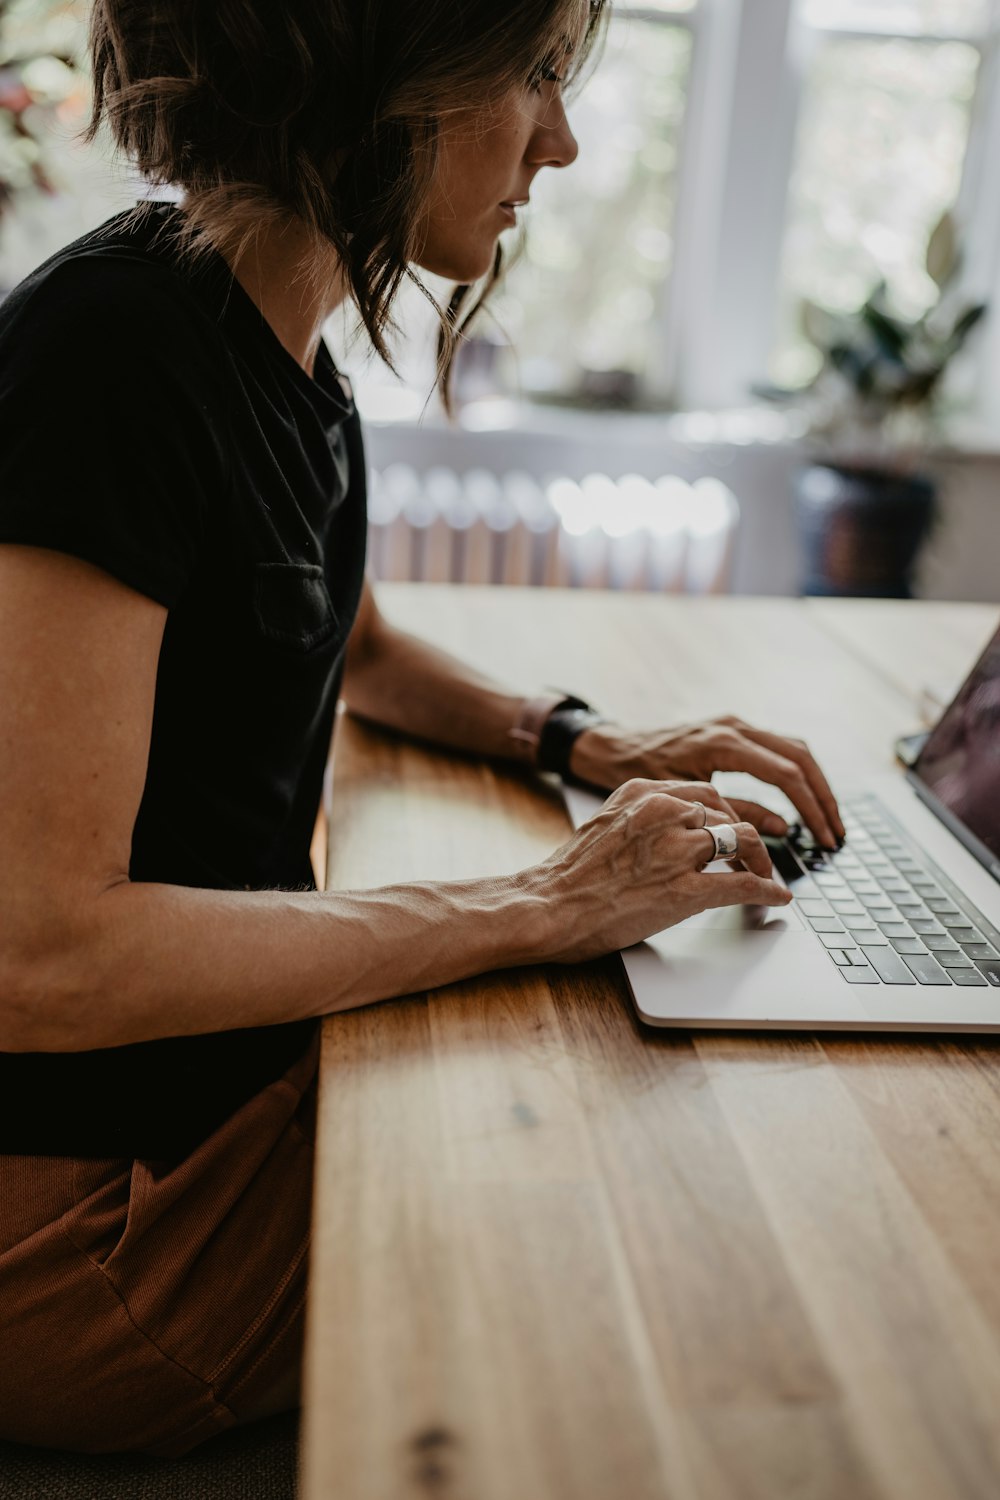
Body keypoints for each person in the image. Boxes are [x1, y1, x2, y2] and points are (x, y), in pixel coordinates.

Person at [0, 0, 845, 1459]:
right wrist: (538, 899)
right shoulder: (111, 355)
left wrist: (580, 738)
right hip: (94, 1235)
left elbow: (360, 648)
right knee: (677, 1214)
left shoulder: (279, 349)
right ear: (377, 65)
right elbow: (38, 955)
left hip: (206, 1119)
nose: (562, 142)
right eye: (533, 75)